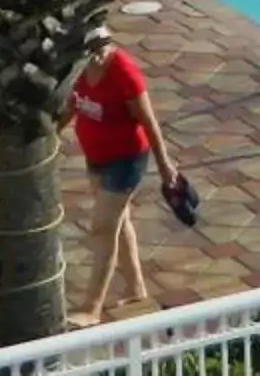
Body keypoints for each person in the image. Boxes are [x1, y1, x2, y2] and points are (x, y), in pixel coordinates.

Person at [71, 31, 179, 325]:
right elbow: (72, 103)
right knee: (120, 222)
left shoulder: (123, 72)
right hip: (96, 158)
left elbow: (149, 123)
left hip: (126, 160)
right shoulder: (76, 67)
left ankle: (92, 308)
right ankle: (135, 289)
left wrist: (165, 166)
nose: (102, 53)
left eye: (104, 46)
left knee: (103, 229)